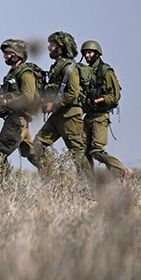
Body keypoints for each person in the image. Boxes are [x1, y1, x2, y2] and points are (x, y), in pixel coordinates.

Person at [0, 39, 44, 175]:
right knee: (31, 153)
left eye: (7, 53)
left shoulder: (25, 74)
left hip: (17, 120)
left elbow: (27, 97)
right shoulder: (12, 74)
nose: (4, 56)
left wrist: (7, 101)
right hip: (18, 119)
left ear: (17, 55)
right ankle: (55, 178)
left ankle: (4, 185)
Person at [32, 31, 85, 174]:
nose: (49, 48)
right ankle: (50, 179)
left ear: (61, 48)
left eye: (52, 45)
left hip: (70, 115)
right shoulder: (55, 67)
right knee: (37, 144)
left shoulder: (69, 67)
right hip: (57, 115)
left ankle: (89, 186)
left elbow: (73, 92)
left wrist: (54, 105)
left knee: (77, 152)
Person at [79, 40, 133, 179]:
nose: (87, 56)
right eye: (85, 54)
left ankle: (124, 173)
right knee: (81, 149)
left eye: (89, 53)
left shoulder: (106, 71)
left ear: (97, 53)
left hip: (100, 116)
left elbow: (114, 95)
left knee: (97, 151)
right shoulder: (87, 73)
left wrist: (97, 100)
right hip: (89, 115)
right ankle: (89, 182)